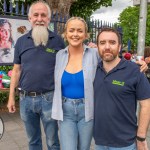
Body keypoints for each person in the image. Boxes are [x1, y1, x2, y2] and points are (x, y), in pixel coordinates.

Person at [7, 1, 65, 150]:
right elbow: (16, 70)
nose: (40, 18)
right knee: (33, 141)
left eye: (43, 15)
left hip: (49, 99)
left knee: (53, 142)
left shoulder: (58, 41)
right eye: (36, 15)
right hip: (25, 100)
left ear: (48, 19)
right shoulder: (20, 42)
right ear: (30, 18)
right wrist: (11, 97)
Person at [94, 27, 150, 150]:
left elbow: (146, 105)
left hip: (124, 143)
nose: (107, 47)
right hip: (99, 141)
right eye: (102, 43)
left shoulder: (135, 71)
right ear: (97, 47)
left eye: (112, 42)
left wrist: (141, 138)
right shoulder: (94, 69)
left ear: (119, 47)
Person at [52, 17, 99, 150]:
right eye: (71, 30)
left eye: (80, 31)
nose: (75, 34)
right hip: (65, 111)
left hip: (87, 110)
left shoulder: (95, 54)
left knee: (84, 148)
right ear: (65, 34)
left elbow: (113, 63)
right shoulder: (60, 55)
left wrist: (138, 64)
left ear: (86, 35)